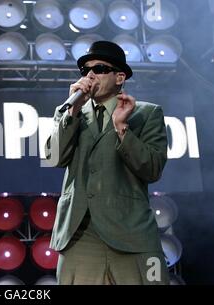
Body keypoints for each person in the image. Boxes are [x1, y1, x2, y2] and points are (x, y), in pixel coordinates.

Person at [45, 41, 169, 285]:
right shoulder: (69, 111)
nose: (90, 74)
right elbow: (53, 158)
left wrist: (122, 128)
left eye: (100, 68)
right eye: (85, 70)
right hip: (80, 234)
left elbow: (152, 168)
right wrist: (71, 113)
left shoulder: (147, 113)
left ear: (119, 77)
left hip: (131, 234)